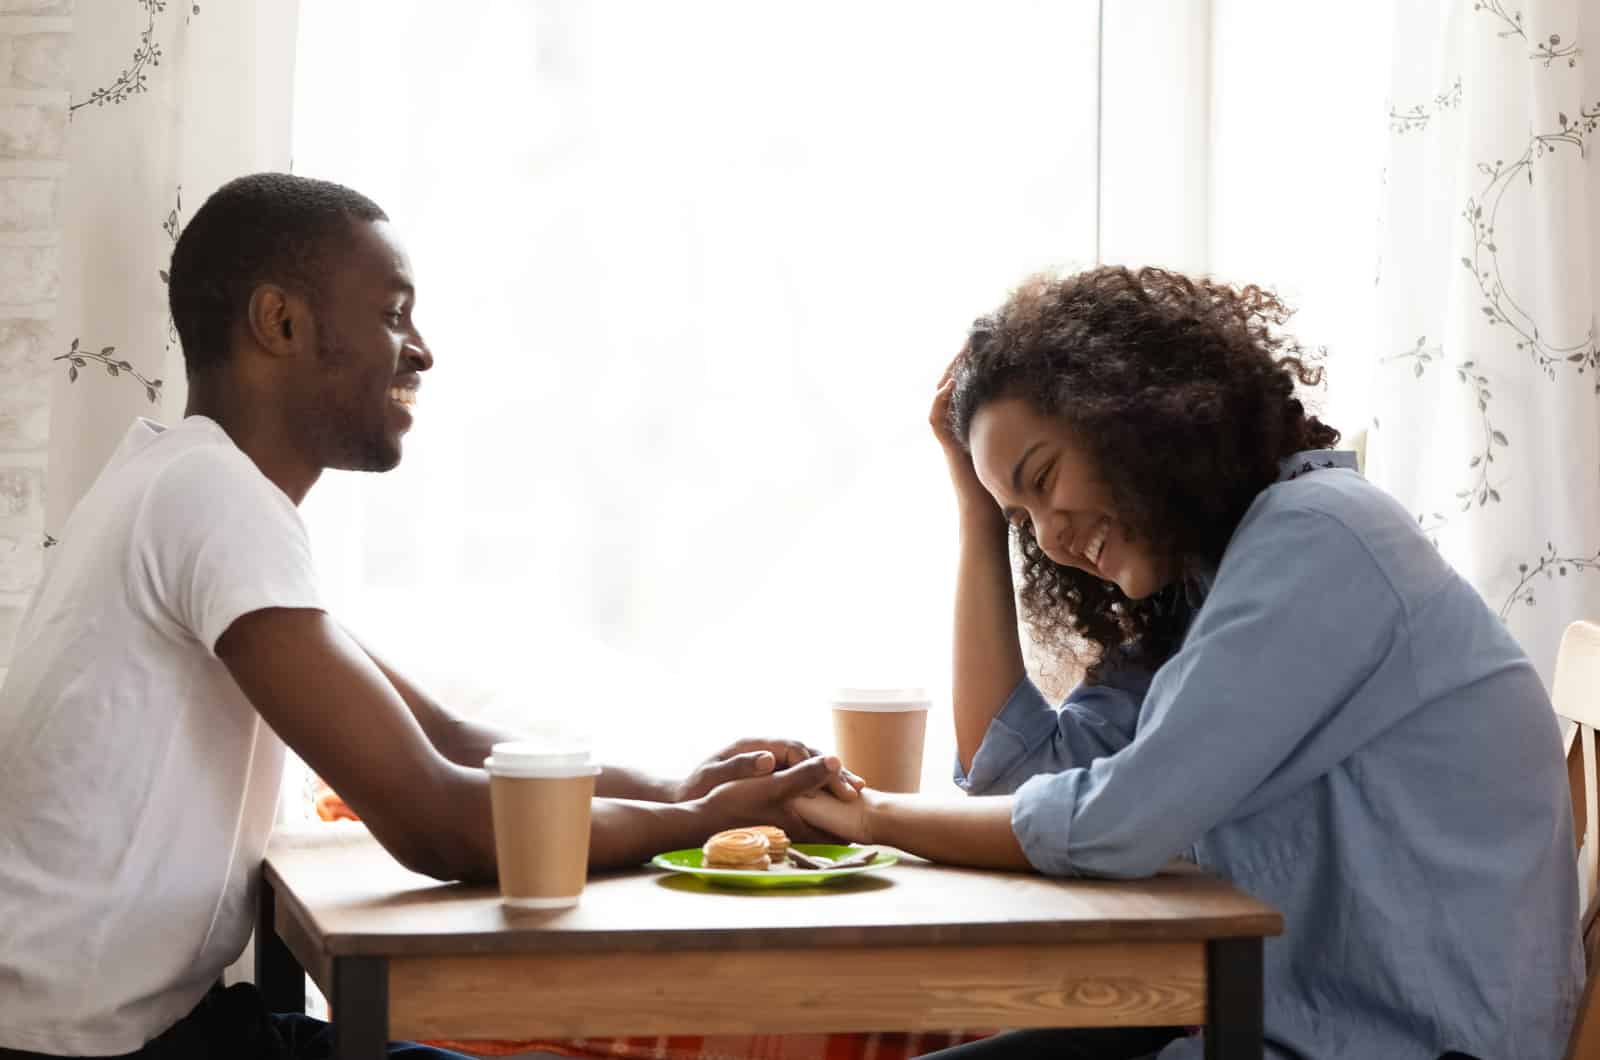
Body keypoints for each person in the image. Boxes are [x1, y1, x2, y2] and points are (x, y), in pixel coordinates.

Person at [0, 173, 856, 1060]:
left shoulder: (186, 484)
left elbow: (439, 731)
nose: (421, 352)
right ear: (280, 323)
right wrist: (696, 825)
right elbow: (434, 821)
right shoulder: (212, 497)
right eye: (393, 314)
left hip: (144, 1032)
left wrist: (675, 788)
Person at [794, 266, 1582, 1060]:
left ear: (1129, 418)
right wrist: (978, 510)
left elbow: (1114, 822)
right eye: (1022, 519)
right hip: (1268, 1030)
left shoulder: (1323, 540)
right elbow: (1020, 780)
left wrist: (872, 818)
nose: (1052, 539)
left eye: (1042, 482)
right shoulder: (1214, 582)